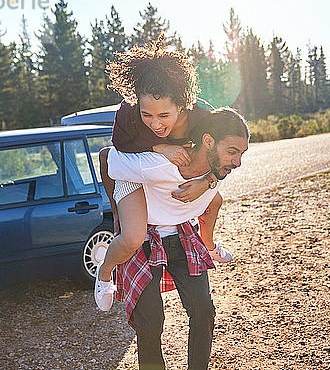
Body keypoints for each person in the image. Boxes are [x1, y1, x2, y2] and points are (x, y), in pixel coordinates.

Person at [102, 107, 249, 370]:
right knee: (150, 321)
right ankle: (104, 274)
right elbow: (106, 158)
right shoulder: (159, 163)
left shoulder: (216, 167)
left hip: (182, 236)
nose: (238, 162)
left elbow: (214, 199)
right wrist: (118, 214)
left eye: (241, 153)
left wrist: (210, 181)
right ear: (208, 142)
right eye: (232, 152)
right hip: (145, 240)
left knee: (203, 311)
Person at [95, 35, 232, 303]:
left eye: (163, 116)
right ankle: (103, 274)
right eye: (148, 115)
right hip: (136, 174)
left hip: (168, 174)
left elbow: (228, 150)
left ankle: (208, 245)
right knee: (132, 236)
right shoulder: (128, 113)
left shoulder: (204, 117)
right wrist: (160, 147)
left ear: (182, 106)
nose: (155, 124)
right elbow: (113, 158)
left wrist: (209, 181)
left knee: (215, 201)